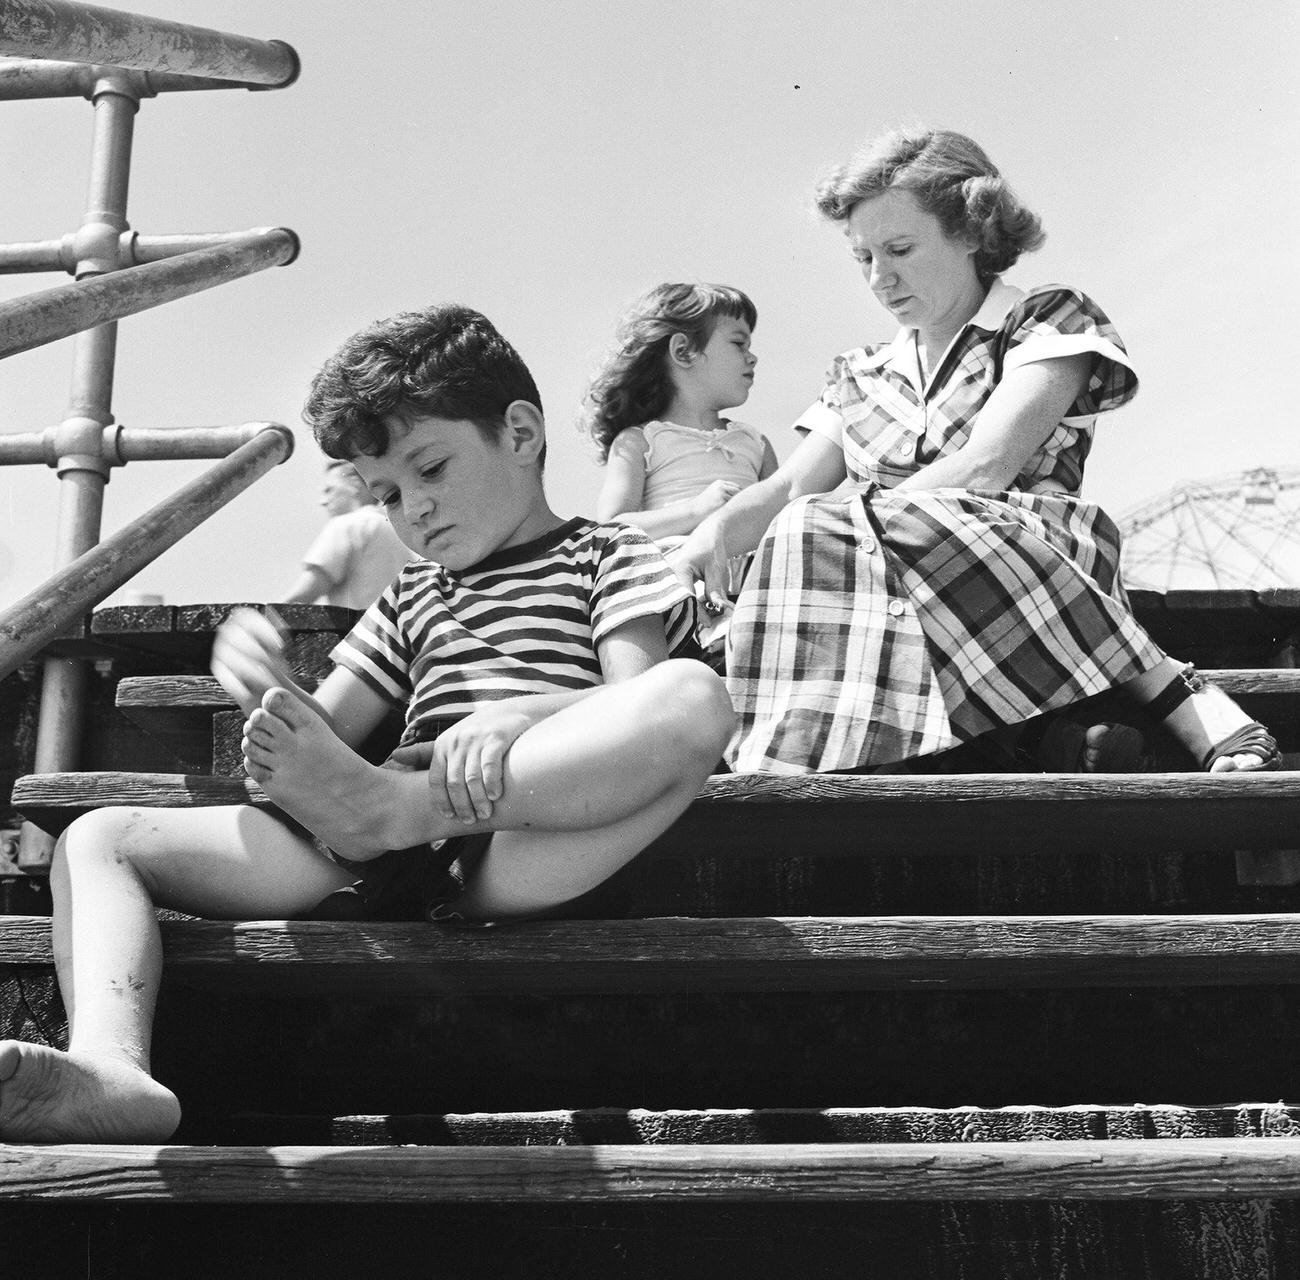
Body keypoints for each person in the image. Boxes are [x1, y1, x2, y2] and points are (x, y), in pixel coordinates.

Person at [0, 303, 733, 1143]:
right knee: (99, 837)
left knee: (693, 694)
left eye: (431, 467)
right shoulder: (414, 594)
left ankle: (401, 810)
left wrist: (516, 717)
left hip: (516, 840)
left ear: (521, 433)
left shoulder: (608, 556)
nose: (412, 509)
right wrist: (270, 691)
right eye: (386, 493)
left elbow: (632, 699)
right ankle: (112, 1067)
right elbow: (328, 742)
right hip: (370, 838)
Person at [670, 127, 1279, 777]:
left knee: (812, 535)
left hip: (1027, 564)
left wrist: (841, 538)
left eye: (900, 249)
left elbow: (987, 466)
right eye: (864, 258)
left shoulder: (1045, 321)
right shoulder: (859, 373)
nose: (881, 277)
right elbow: (791, 487)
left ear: (971, 231)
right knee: (765, 548)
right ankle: (1039, 743)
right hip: (903, 607)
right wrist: (713, 535)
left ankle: (1169, 692)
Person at [584, 283, 778, 655]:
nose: (752, 358)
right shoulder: (640, 440)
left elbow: (783, 511)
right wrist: (696, 511)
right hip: (676, 584)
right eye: (739, 344)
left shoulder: (755, 442)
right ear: (684, 351)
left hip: (756, 583)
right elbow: (610, 530)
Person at [282, 459, 415, 609]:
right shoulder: (401, 534)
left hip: (357, 629)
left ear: (354, 484)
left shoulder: (347, 524)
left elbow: (305, 593)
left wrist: (260, 617)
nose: (323, 501)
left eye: (329, 490)